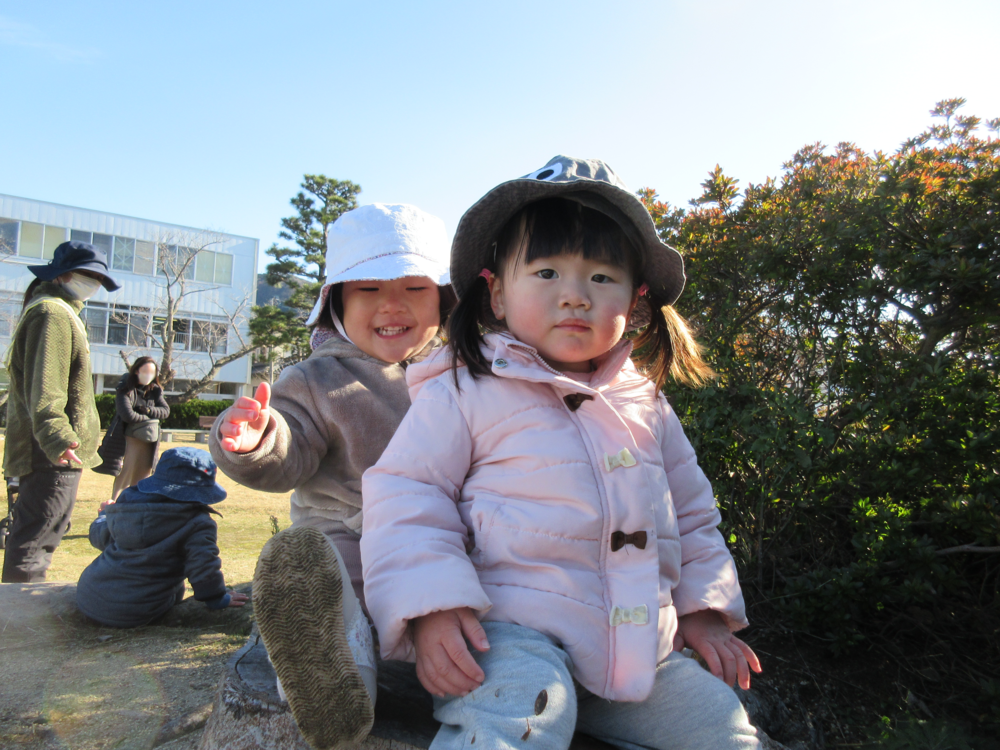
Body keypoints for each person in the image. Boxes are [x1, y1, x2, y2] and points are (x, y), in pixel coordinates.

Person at [361, 156, 764, 750]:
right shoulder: (464, 389)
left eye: (601, 279)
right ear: (496, 293)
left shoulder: (647, 407)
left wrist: (703, 609)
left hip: (635, 650)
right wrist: (432, 607)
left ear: (638, 299)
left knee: (720, 725)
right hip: (508, 637)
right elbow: (407, 494)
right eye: (546, 273)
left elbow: (695, 516)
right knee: (521, 713)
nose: (575, 296)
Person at [208, 203, 455, 749]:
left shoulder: (463, 373)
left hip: (441, 546)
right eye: (367, 288)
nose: (392, 304)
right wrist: (256, 439)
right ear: (336, 301)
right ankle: (336, 687)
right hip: (352, 540)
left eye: (414, 287)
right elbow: (290, 444)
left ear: (445, 297)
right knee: (333, 595)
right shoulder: (318, 377)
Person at [2, 241, 120, 583]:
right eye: (89, 276)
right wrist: (57, 436)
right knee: (37, 536)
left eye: (99, 278)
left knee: (46, 529)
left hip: (54, 449)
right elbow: (46, 385)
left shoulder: (58, 309)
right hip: (51, 451)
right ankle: (21, 623)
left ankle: (21, 617)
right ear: (63, 274)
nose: (95, 284)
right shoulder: (52, 312)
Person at [76, 447, 249, 627]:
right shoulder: (198, 522)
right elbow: (203, 566)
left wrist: (104, 517)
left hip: (90, 597)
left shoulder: (129, 502)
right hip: (139, 609)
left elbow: (101, 537)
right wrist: (217, 598)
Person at [108, 356, 170, 501]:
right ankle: (116, 505)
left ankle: (137, 506)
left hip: (149, 440)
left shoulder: (155, 390)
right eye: (145, 371)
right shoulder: (125, 389)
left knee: (144, 476)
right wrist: (151, 418)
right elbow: (128, 415)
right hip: (130, 439)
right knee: (125, 475)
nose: (149, 375)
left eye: (152, 372)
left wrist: (148, 411)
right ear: (136, 371)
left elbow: (165, 411)